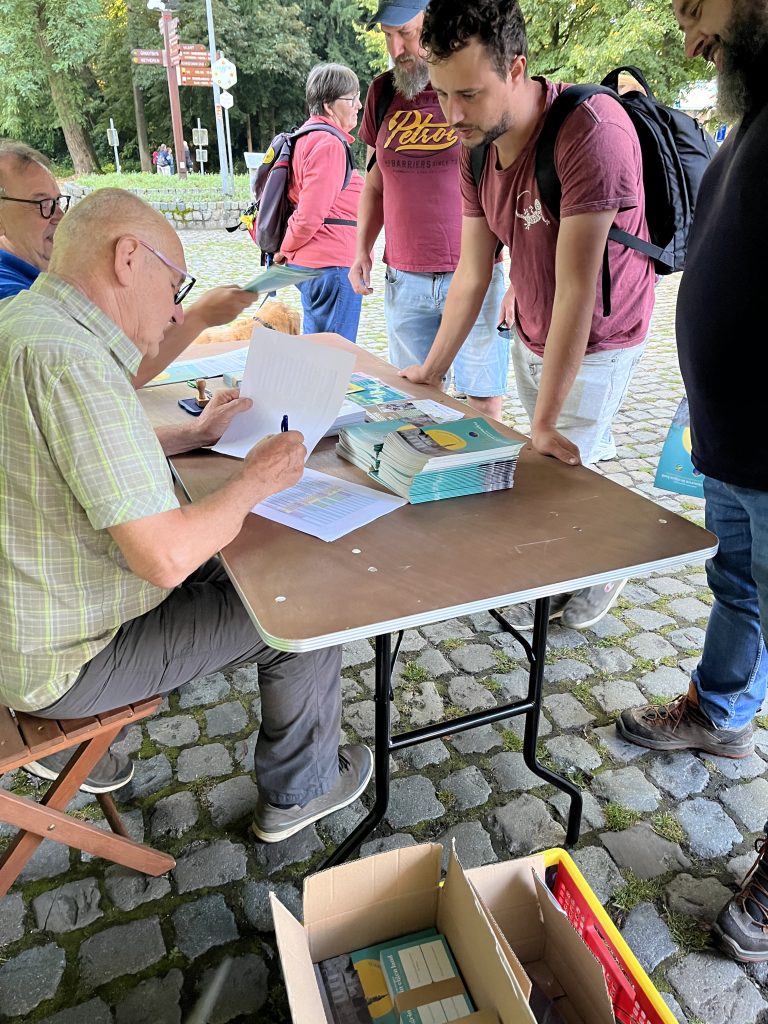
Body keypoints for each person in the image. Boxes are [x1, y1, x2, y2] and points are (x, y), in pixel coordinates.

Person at [0, 188, 372, 843]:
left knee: (239, 566)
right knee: (298, 608)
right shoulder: (73, 362)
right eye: (174, 287)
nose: (176, 311)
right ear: (126, 259)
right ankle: (301, 789)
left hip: (34, 617)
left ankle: (101, 759)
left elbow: (66, 455)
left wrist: (185, 439)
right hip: (61, 662)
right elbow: (166, 558)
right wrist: (255, 480)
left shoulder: (28, 326)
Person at [399, 0, 656, 630]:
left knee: (561, 464)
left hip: (602, 332)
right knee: (567, 457)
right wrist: (430, 373)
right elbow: (472, 272)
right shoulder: (475, 146)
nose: (451, 115)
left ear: (516, 69)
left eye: (469, 94)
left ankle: (607, 560)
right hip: (535, 326)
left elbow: (576, 286)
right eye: (441, 95)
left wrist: (539, 425)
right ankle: (585, 523)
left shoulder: (591, 130)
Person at [617, 0, 768, 963]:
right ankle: (721, 713)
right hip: (734, 438)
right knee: (737, 588)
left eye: (696, 6)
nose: (688, 37)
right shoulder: (758, 104)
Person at [348, 2, 509, 419]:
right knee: (413, 400)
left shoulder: (470, 89)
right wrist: (361, 249)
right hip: (405, 281)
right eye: (388, 36)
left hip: (476, 276)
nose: (397, 47)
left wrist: (521, 274)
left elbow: (509, 181)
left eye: (406, 33)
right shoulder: (382, 94)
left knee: (482, 400)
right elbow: (375, 182)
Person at [0, 140, 257, 386]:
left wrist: (187, 433)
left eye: (59, 202)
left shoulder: (38, 284)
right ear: (126, 259)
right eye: (42, 203)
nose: (59, 216)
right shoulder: (12, 301)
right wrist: (201, 316)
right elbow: (104, 376)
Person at [273, 63, 364, 342]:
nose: (359, 105)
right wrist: (283, 251)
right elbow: (310, 215)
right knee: (331, 358)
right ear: (328, 105)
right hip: (331, 267)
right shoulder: (328, 144)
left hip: (317, 266)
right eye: (352, 98)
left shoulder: (307, 138)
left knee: (316, 353)